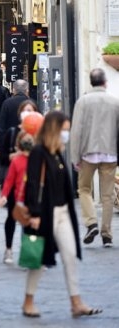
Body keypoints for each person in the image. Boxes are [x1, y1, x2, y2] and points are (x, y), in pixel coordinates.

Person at [22, 110, 102, 318]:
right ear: (54, 129)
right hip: (45, 214)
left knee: (70, 256)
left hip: (64, 213)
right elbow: (32, 184)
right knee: (39, 258)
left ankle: (76, 302)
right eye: (64, 130)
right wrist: (35, 213)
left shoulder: (56, 152)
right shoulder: (39, 152)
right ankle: (28, 301)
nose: (67, 134)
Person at [70, 68, 119, 247]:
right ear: (105, 82)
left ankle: (91, 223)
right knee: (107, 195)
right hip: (110, 152)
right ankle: (107, 234)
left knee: (84, 189)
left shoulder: (83, 102)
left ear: (91, 82)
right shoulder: (115, 102)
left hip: (87, 153)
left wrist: (75, 156)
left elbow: (76, 132)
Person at [0, 99, 39, 265]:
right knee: (12, 216)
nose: (28, 113)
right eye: (25, 110)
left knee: (32, 218)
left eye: (31, 110)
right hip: (16, 183)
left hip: (35, 185)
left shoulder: (40, 135)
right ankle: (8, 249)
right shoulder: (13, 132)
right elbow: (2, 156)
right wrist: (14, 157)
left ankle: (30, 252)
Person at [0, 79, 30, 159]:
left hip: (11, 144)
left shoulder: (7, 103)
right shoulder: (31, 103)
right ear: (27, 90)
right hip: (29, 144)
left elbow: (1, 127)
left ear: (13, 90)